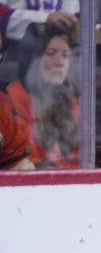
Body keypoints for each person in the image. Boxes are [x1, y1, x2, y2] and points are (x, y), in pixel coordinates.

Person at [7, 24, 78, 168]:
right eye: (51, 53)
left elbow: (80, 159)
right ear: (32, 58)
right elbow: (29, 166)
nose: (60, 63)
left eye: (66, 55)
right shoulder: (12, 100)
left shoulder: (69, 99)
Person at [0, 0, 78, 43]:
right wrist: (45, 18)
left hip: (54, 50)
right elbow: (2, 14)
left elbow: (75, 20)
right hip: (13, 51)